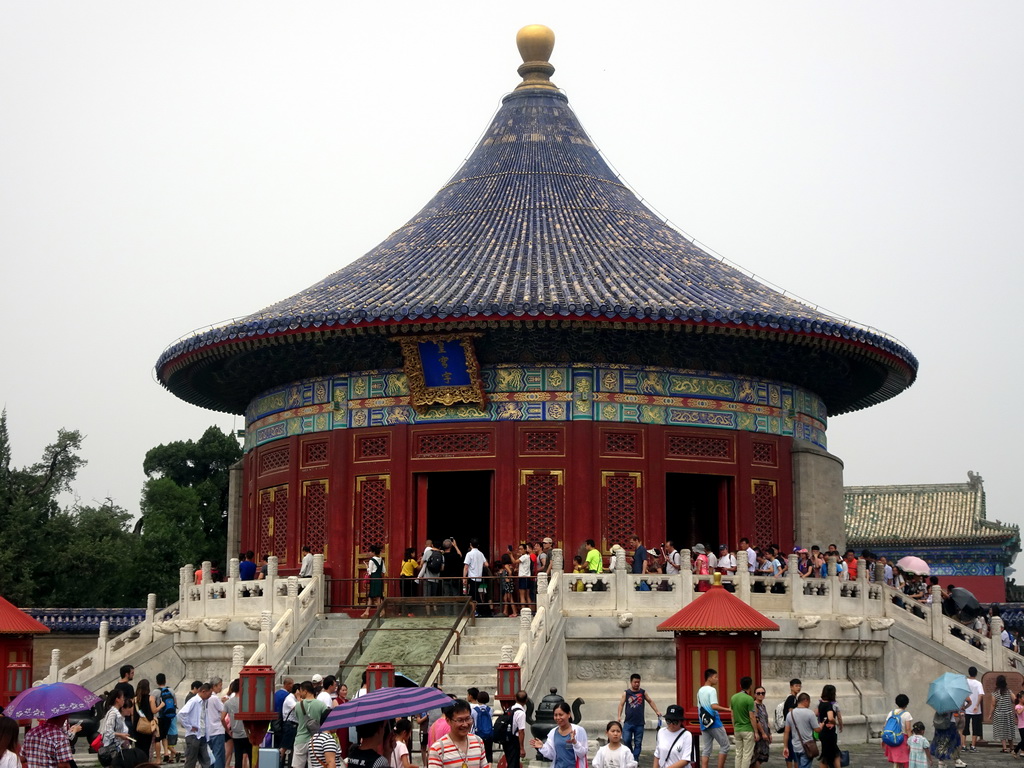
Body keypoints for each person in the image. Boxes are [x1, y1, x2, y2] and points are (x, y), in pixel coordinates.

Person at [616, 673, 661, 763]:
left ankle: (635, 760)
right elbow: (621, 705)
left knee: (638, 743)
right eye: (635, 682)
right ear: (631, 682)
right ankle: (631, 756)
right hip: (628, 722)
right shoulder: (626, 693)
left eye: (638, 682)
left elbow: (650, 701)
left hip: (639, 723)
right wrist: (619, 716)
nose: (637, 684)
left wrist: (656, 711)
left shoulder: (643, 692)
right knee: (626, 740)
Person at [429, 699, 487, 768]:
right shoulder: (438, 748)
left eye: (468, 719)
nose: (465, 724)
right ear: (448, 720)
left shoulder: (478, 742)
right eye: (460, 720)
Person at [529, 701, 587, 768]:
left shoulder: (579, 730)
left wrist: (575, 742)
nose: (558, 718)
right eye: (555, 715)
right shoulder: (553, 732)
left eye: (561, 715)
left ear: (569, 714)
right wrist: (542, 747)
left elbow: (582, 754)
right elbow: (551, 755)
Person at [697, 668, 730, 768]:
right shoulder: (712, 690)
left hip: (703, 722)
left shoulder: (700, 690)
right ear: (709, 678)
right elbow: (714, 706)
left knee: (706, 748)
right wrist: (728, 709)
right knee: (725, 746)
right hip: (714, 722)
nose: (717, 679)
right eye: (715, 677)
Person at [179, 683, 214, 768]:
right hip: (193, 736)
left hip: (202, 735)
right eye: (209, 694)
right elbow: (181, 714)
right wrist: (189, 727)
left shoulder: (204, 702)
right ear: (203, 691)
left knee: (208, 760)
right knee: (191, 761)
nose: (210, 696)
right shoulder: (194, 701)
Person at [293, 681, 327, 768]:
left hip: (300, 739)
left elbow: (298, 719)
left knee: (297, 766)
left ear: (305, 691)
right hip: (315, 740)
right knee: (313, 765)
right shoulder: (322, 705)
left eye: (300, 691)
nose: (300, 693)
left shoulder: (297, 705)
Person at [782, 694, 820, 768]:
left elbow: (786, 732)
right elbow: (817, 729)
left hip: (795, 746)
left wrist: (785, 747)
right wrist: (821, 725)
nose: (809, 704)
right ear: (806, 701)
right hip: (807, 746)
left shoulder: (790, 714)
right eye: (809, 702)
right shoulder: (810, 713)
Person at [224, 680, 252, 768]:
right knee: (251, 756)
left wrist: (228, 730)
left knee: (238, 757)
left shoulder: (228, 702)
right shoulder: (247, 701)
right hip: (247, 733)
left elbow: (221, 718)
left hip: (235, 733)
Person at [729, 677, 755, 768]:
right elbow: (751, 716)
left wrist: (734, 727)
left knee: (738, 753)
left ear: (740, 685)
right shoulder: (749, 699)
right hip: (747, 729)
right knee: (747, 755)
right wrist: (755, 731)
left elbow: (732, 715)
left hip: (737, 728)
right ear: (750, 686)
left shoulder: (733, 697)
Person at [155, 673, 180, 763]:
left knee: (161, 735)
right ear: (165, 680)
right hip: (170, 716)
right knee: (166, 735)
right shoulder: (171, 691)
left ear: (157, 681)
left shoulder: (155, 692)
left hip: (160, 717)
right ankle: (168, 754)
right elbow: (175, 704)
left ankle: (167, 753)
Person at [883, 694, 913, 768]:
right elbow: (908, 729)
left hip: (892, 738)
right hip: (902, 739)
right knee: (903, 760)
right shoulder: (907, 714)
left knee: (896, 761)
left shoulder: (891, 713)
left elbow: (885, 726)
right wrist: (910, 741)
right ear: (907, 703)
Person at [817, 684, 841, 768]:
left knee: (829, 753)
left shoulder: (820, 703)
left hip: (823, 732)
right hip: (829, 733)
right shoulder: (830, 705)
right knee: (832, 754)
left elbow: (816, 713)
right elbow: (831, 717)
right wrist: (836, 723)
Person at [991, 675, 1016, 752]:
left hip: (999, 714)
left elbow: (993, 705)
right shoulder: (1009, 691)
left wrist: (990, 714)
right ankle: (1012, 747)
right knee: (1009, 730)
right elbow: (1015, 699)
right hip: (1009, 714)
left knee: (1001, 730)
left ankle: (1004, 748)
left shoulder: (995, 693)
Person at [134, 678, 157, 760]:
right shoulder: (151, 698)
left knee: (138, 747)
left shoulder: (136, 699)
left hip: (137, 725)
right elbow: (153, 710)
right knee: (146, 747)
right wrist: (161, 705)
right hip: (147, 725)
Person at [207, 678, 227, 768]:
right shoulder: (214, 698)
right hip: (217, 729)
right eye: (220, 685)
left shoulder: (207, 698)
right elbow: (223, 710)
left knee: (211, 755)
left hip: (209, 730)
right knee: (218, 755)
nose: (221, 688)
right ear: (214, 686)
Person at [962, 667, 983, 752]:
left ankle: (963, 745)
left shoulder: (964, 682)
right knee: (975, 728)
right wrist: (977, 705)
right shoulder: (978, 683)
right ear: (976, 673)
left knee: (964, 727)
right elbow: (981, 695)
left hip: (965, 708)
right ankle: (973, 746)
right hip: (976, 709)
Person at [362, 544, 386, 618]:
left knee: (374, 596)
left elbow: (369, 572)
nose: (369, 553)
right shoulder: (381, 560)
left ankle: (380, 612)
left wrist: (366, 566)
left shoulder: (371, 560)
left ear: (373, 552)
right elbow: (384, 571)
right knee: (375, 596)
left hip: (373, 579)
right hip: (379, 579)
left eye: (370, 551)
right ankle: (367, 612)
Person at [464, 539, 489, 609]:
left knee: (473, 596)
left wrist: (464, 578)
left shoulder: (469, 554)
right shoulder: (481, 554)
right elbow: (486, 564)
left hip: (472, 577)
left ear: (470, 545)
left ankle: (479, 610)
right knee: (477, 594)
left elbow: (466, 567)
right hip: (479, 577)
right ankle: (479, 610)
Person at [783, 679, 802, 768]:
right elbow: (791, 712)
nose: (798, 688)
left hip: (789, 727)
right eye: (796, 686)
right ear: (791, 687)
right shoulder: (792, 698)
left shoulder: (790, 697)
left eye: (799, 686)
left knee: (789, 752)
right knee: (794, 752)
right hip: (792, 728)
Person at [751, 685, 771, 768]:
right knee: (757, 756)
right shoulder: (754, 705)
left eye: (763, 693)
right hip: (759, 733)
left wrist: (769, 733)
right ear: (755, 695)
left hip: (765, 733)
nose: (761, 695)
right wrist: (762, 733)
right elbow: (756, 720)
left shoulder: (763, 706)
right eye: (758, 693)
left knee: (763, 755)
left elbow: (766, 720)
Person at [473, 691, 494, 763]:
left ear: (477, 699)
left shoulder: (474, 710)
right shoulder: (490, 710)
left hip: (478, 734)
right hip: (489, 734)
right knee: (489, 753)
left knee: (479, 753)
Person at [401, 548, 420, 614]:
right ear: (411, 553)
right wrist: (423, 562)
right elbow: (418, 568)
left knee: (403, 595)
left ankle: (401, 611)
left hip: (402, 579)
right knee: (410, 595)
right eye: (414, 553)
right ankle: (410, 612)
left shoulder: (404, 560)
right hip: (409, 579)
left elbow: (409, 566)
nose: (414, 554)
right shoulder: (412, 561)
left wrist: (416, 561)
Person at [517, 544, 533, 613]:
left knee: (522, 595)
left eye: (521, 549)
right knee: (527, 595)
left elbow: (515, 562)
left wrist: (511, 555)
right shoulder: (527, 557)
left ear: (524, 549)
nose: (519, 550)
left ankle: (523, 610)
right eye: (519, 549)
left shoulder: (524, 557)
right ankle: (531, 610)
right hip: (527, 577)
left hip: (523, 577)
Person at [1013, 690, 1024, 757]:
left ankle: (1017, 751)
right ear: (1020, 699)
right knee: (1023, 740)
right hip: (1022, 726)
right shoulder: (1018, 706)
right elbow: (1019, 712)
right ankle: (1015, 750)